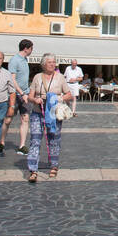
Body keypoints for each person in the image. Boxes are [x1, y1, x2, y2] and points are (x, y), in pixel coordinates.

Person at [25, 53, 74, 182]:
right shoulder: (37, 78)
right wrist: (35, 99)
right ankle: (33, 169)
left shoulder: (60, 78)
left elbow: (69, 95)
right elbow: (29, 96)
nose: (53, 64)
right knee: (35, 140)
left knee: (54, 139)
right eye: (50, 62)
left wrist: (59, 98)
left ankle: (54, 165)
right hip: (38, 112)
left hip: (54, 113)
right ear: (43, 64)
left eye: (54, 62)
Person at [6, 39, 33, 154]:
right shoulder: (14, 60)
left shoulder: (25, 60)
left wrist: (26, 92)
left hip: (25, 94)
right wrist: (21, 93)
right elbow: (12, 79)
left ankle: (22, 145)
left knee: (25, 118)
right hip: (15, 94)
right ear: (26, 48)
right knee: (8, 119)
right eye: (31, 48)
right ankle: (1, 143)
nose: (32, 50)